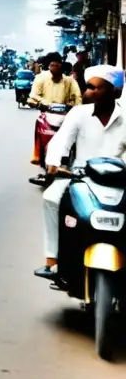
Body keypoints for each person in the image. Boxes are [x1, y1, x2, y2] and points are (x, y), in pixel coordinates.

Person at [35, 65, 126, 280]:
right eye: (88, 88)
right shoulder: (79, 113)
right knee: (51, 198)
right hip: (81, 177)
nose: (87, 93)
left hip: (119, 179)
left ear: (115, 92)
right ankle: (53, 260)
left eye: (95, 88)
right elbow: (61, 140)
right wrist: (53, 162)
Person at [28, 53, 83, 166]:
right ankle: (38, 156)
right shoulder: (41, 78)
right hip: (48, 114)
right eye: (52, 64)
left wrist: (77, 107)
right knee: (39, 123)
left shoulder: (69, 81)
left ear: (61, 65)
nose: (54, 67)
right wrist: (45, 104)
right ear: (49, 66)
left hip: (66, 115)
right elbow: (34, 95)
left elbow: (77, 97)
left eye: (57, 64)